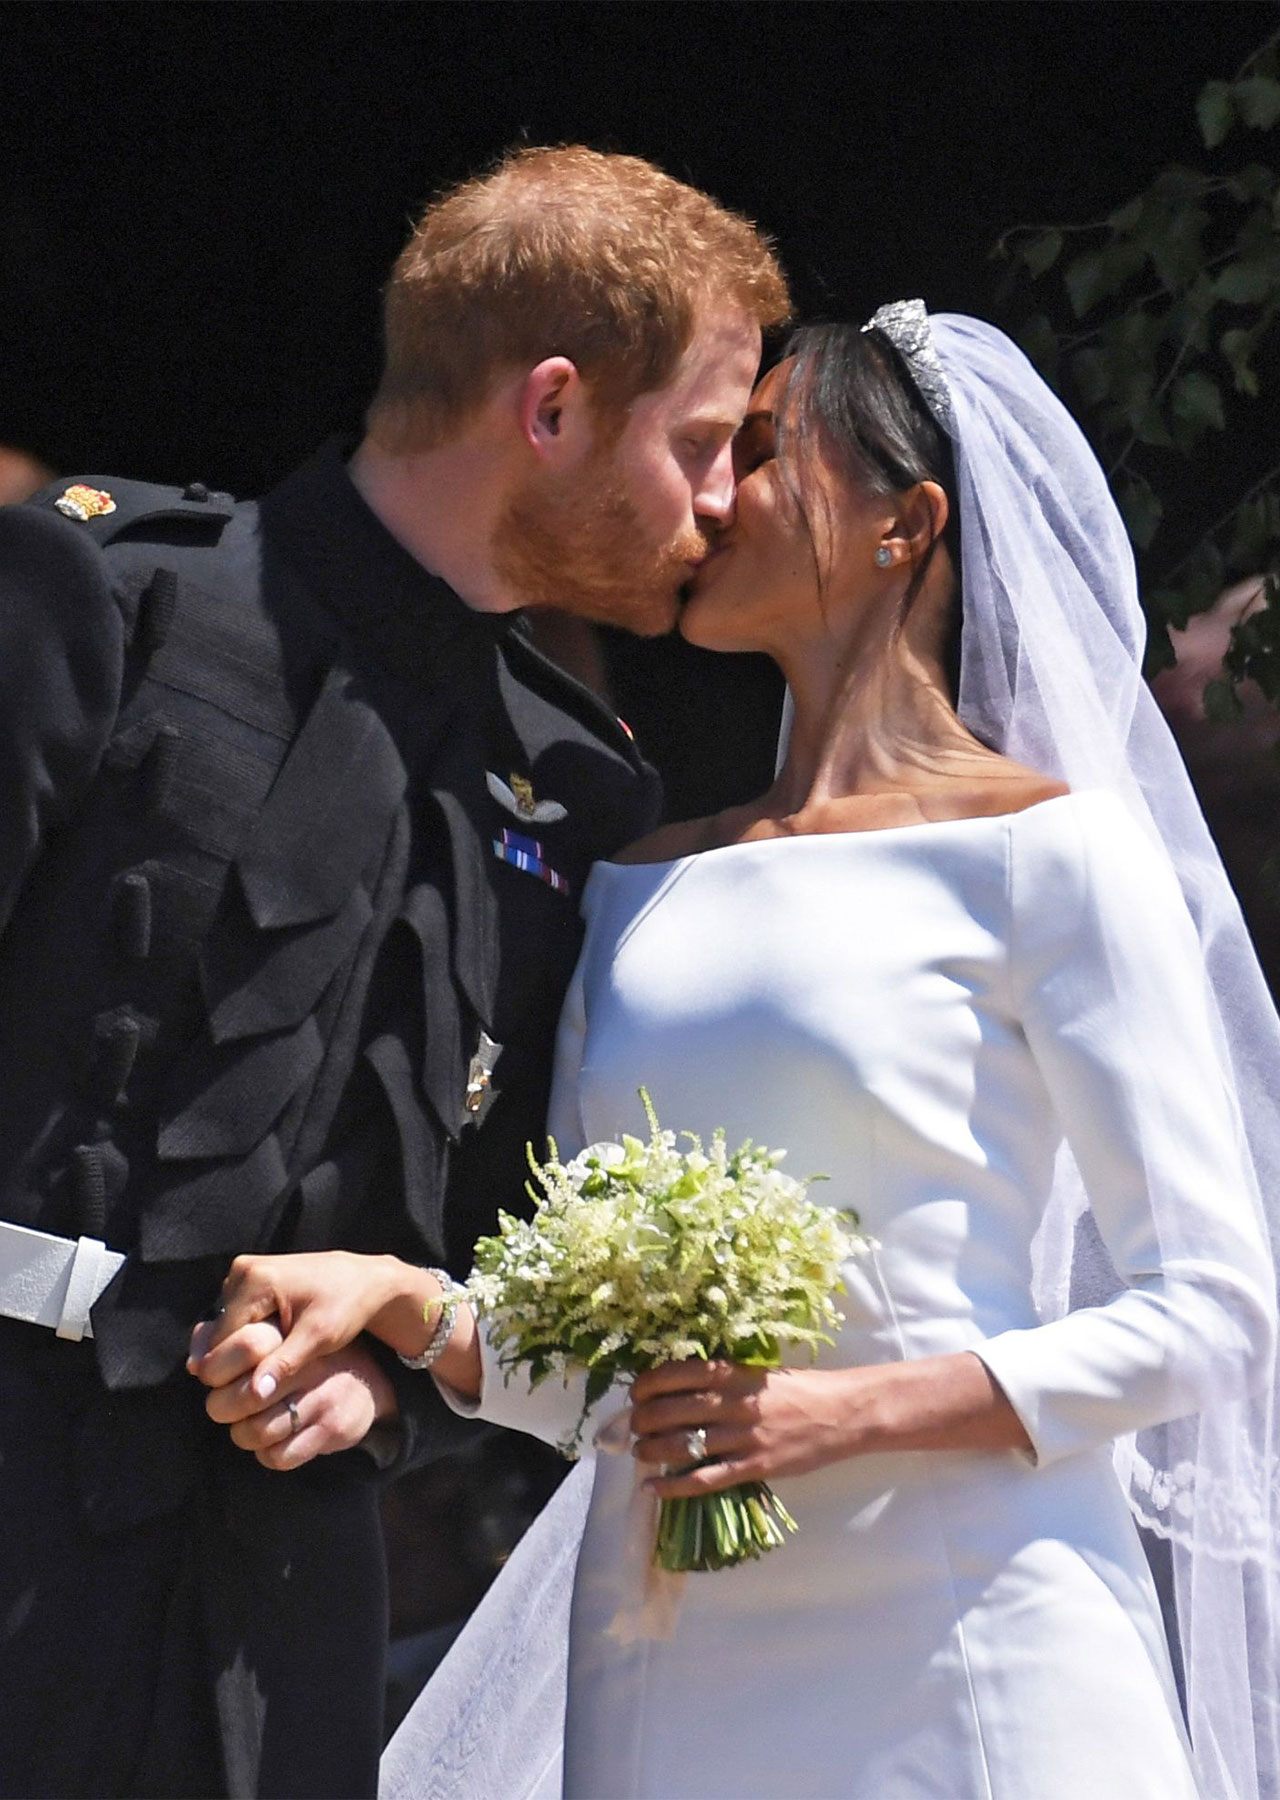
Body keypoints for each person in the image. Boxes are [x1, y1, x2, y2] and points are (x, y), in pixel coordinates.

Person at [197, 305, 1280, 1799]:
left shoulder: (1050, 856)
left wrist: (843, 1409)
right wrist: (405, 1305)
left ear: (906, 523)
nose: (709, 497)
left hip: (976, 1640)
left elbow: (1217, 1312)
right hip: (666, 1653)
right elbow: (598, 1382)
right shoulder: (642, 883)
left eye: (761, 452)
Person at [0, 145, 788, 1800]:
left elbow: (496, 1231)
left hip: (278, 1599)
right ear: (554, 408)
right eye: (703, 445)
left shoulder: (581, 793)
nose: (724, 506)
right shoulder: (105, 591)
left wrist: (384, 1389)